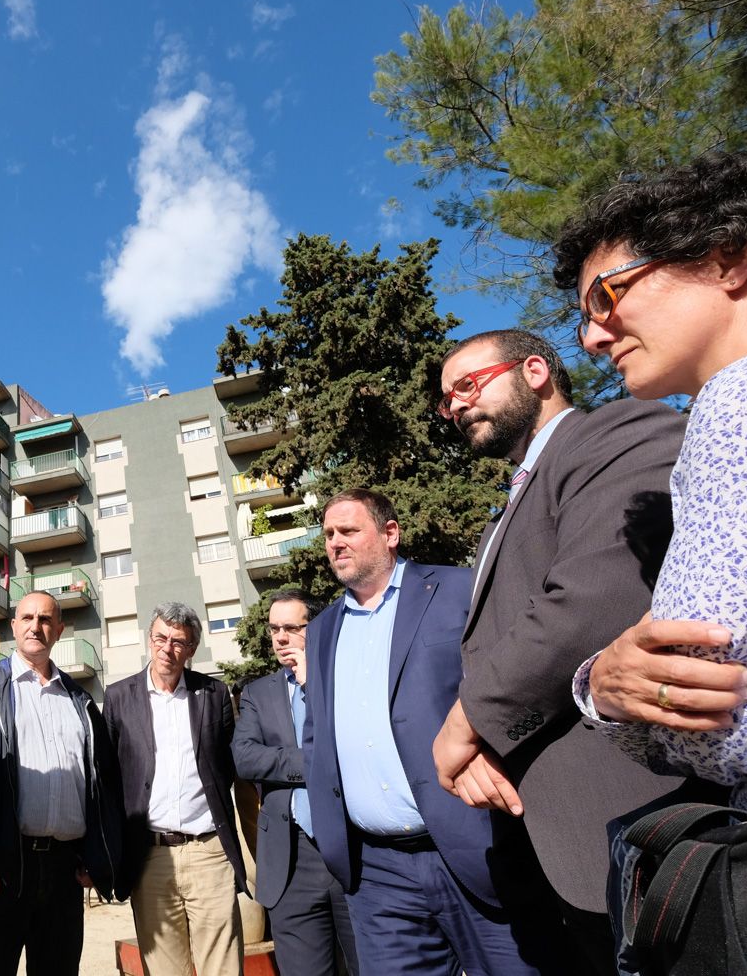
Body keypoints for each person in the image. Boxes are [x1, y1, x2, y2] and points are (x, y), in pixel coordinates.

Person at [557, 150, 747, 835]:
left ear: (726, 257)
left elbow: (698, 704)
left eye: (607, 295)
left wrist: (598, 691)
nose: (594, 338)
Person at [433, 329, 706, 972]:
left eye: (468, 385)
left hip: (633, 822)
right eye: (447, 401)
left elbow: (595, 595)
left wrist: (468, 723)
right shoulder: (506, 510)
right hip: (545, 843)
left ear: (535, 371)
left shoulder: (621, 431)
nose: (456, 407)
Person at [303, 490, 553, 976]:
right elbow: (317, 735)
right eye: (329, 534)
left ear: (390, 534)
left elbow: (521, 681)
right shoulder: (322, 630)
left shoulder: (459, 589)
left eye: (349, 531)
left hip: (475, 849)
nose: (335, 543)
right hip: (375, 873)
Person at [0, 592, 122, 975]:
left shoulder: (80, 701)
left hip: (64, 873)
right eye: (27, 617)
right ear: (13, 626)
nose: (35, 626)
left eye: (46, 619)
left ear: (59, 630)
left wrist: (96, 856)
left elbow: (103, 784)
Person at [103, 602, 246, 976]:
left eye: (179, 641)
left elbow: (231, 766)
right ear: (150, 640)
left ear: (192, 649)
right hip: (149, 856)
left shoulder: (214, 694)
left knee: (224, 967)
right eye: (161, 638)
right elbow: (109, 779)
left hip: (209, 853)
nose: (168, 648)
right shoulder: (118, 698)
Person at [231, 590, 358, 976]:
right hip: (291, 861)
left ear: (314, 628)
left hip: (355, 854)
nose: (280, 637)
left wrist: (310, 685)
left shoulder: (344, 676)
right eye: (274, 629)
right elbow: (246, 757)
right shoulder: (257, 693)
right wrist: (316, 762)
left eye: (291, 628)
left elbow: (356, 743)